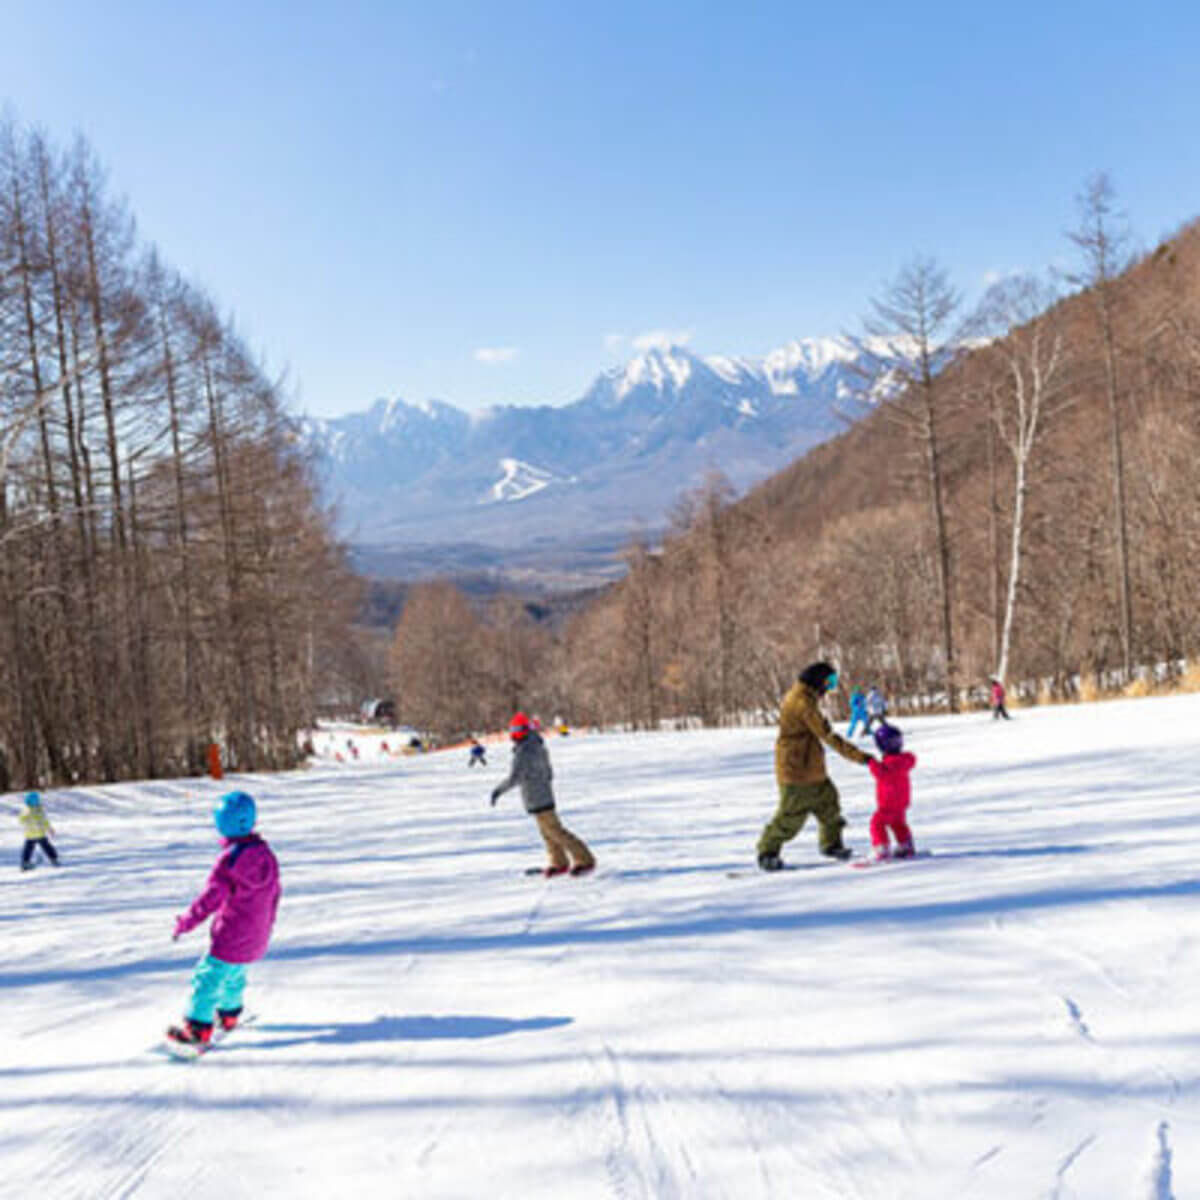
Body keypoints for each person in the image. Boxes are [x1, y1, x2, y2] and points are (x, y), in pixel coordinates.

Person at [167, 790, 281, 1048]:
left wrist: (186, 922)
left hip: (232, 934)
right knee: (235, 974)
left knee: (207, 978)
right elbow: (275, 893)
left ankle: (198, 1029)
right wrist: (267, 925)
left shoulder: (229, 861)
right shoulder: (266, 855)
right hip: (257, 934)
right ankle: (229, 1015)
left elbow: (210, 899)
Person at [757, 662, 872, 870]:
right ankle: (767, 851)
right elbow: (827, 735)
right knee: (791, 815)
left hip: (811, 767)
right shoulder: (803, 703)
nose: (830, 688)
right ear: (817, 681)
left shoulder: (805, 697)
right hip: (796, 769)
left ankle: (831, 844)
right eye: (829, 682)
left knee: (829, 803)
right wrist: (861, 757)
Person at [491, 711, 595, 877]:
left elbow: (514, 778)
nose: (513, 734)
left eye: (515, 730)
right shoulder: (538, 745)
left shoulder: (523, 752)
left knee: (555, 831)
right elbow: (549, 772)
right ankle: (558, 861)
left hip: (536, 797)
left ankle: (584, 858)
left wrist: (498, 791)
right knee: (548, 833)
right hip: (542, 794)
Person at [866, 723, 917, 860]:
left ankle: (882, 847)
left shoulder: (888, 765)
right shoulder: (904, 761)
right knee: (898, 823)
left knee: (877, 823)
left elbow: (880, 773)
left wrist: (870, 762)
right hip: (901, 803)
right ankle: (906, 845)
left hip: (888, 804)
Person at [19, 792, 60, 871]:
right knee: (30, 848)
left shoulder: (39, 810)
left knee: (45, 846)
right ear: (29, 801)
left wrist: (49, 828)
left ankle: (53, 858)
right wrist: (24, 816)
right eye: (34, 801)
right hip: (32, 834)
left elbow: (44, 821)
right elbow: (21, 820)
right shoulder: (27, 810)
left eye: (37, 801)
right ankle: (25, 862)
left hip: (37, 834)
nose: (36, 802)